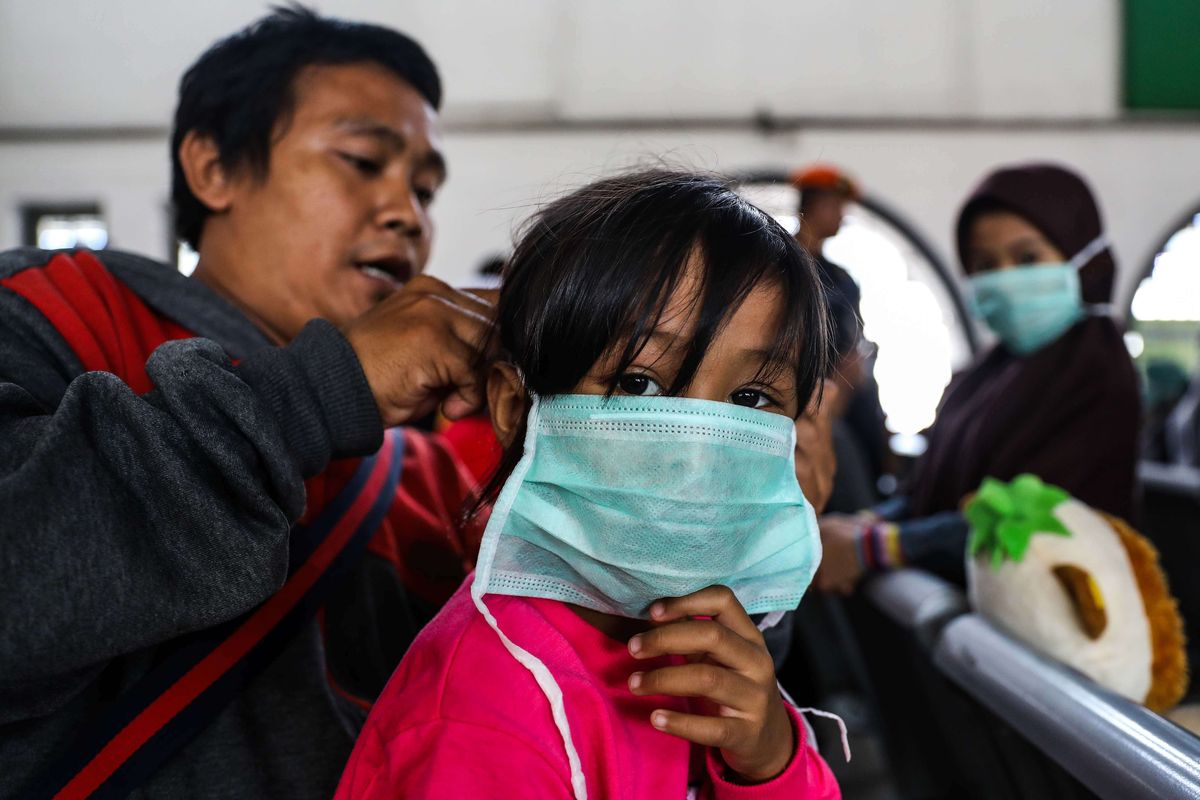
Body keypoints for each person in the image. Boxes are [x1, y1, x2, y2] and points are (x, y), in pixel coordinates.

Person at [0, 9, 495, 799]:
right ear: (213, 169)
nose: (409, 213)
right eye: (364, 159)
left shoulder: (426, 481)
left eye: (427, 188)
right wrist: (320, 395)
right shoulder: (50, 314)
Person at [334, 170, 842, 799]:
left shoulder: (698, 646)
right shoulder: (484, 723)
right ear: (516, 408)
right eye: (638, 384)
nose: (697, 447)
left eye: (750, 397)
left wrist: (767, 763)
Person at [816, 163, 1141, 593]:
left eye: (1027, 258)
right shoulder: (988, 373)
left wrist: (876, 546)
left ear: (1083, 259)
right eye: (985, 264)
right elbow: (931, 492)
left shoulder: (1098, 374)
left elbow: (1032, 522)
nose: (1004, 278)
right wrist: (867, 523)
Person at [793, 165, 888, 501]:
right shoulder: (782, 267)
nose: (841, 217)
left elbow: (854, 335)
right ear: (811, 207)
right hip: (803, 395)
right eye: (835, 207)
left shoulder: (842, 277)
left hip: (849, 388)